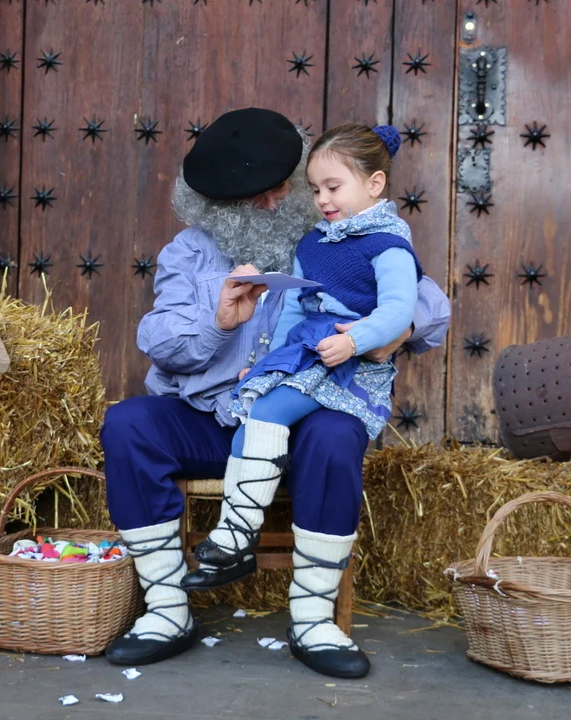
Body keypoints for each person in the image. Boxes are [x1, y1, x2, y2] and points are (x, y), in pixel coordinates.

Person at [99, 108, 450, 678]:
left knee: (338, 432)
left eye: (283, 187)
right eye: (254, 196)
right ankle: (166, 610)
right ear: (215, 204)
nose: (273, 202)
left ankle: (313, 619)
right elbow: (157, 341)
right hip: (215, 419)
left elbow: (429, 302)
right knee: (128, 424)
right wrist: (218, 323)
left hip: (300, 425)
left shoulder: (335, 236)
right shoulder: (188, 253)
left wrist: (396, 330)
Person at [180, 124, 423, 655]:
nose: (323, 200)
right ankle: (237, 537)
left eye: (334, 187)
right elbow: (293, 307)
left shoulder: (388, 244)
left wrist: (357, 339)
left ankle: (239, 537)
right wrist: (265, 364)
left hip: (345, 362)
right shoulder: (313, 242)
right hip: (306, 351)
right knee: (254, 411)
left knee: (267, 413)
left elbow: (398, 311)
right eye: (315, 190)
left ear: (375, 184)